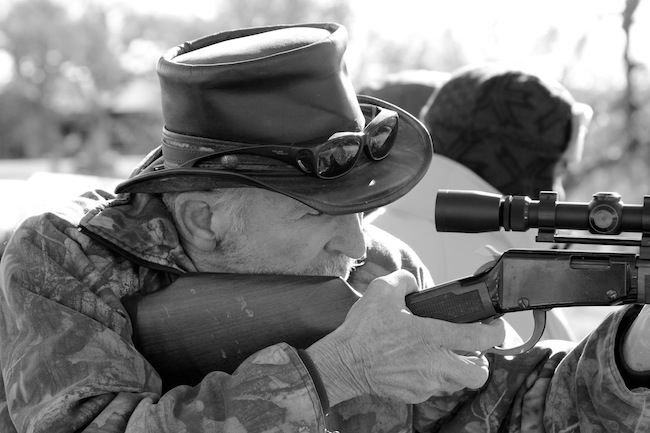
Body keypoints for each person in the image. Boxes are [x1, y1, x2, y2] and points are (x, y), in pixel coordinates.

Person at [0, 23, 648, 433]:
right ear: (205, 218)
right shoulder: (62, 258)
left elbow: (489, 406)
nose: (361, 246)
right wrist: (336, 370)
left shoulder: (374, 264)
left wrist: (630, 354)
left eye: (363, 209)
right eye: (322, 212)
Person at [371, 64, 594, 341]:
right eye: (559, 171)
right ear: (528, 170)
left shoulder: (367, 237)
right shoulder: (512, 282)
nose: (560, 190)